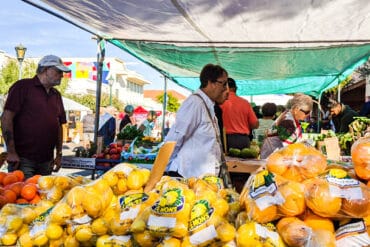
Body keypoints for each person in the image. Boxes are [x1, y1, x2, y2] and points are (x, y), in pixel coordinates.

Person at [1, 55, 70, 178]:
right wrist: (11, 152)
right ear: (45, 70)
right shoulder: (22, 87)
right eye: (58, 71)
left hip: (46, 160)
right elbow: (6, 118)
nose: (62, 75)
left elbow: (59, 125)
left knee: (43, 196)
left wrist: (59, 154)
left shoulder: (56, 95)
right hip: (23, 159)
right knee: (22, 194)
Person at [164, 63, 229, 178]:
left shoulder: (208, 105)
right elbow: (175, 138)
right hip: (187, 176)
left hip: (201, 178)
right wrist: (164, 170)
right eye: (223, 84)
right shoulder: (195, 103)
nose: (225, 88)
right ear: (210, 83)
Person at [260, 93, 313, 159]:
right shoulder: (287, 122)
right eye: (307, 112)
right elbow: (288, 149)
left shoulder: (291, 118)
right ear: (297, 109)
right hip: (273, 159)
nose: (308, 115)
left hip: (276, 157)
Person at [220, 78, 259, 150]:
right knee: (243, 161)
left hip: (224, 140)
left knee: (225, 161)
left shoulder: (220, 103)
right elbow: (255, 124)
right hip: (243, 140)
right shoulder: (245, 103)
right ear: (236, 88)